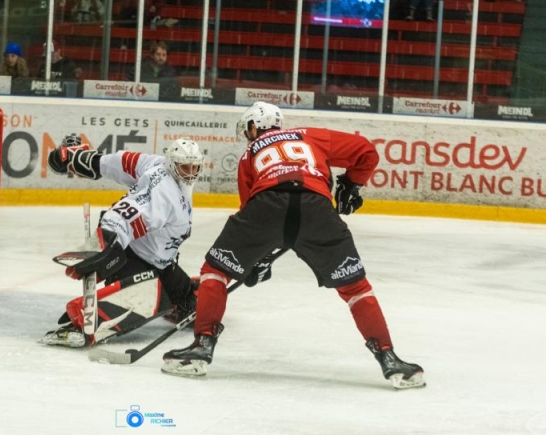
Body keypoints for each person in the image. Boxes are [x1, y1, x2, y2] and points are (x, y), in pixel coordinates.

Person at [161, 102, 426, 390]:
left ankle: (202, 345)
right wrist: (352, 183)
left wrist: (254, 260)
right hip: (317, 208)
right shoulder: (309, 135)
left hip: (267, 205)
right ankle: (389, 358)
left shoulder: (249, 153)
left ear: (252, 127)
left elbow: (249, 208)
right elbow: (366, 151)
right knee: (355, 287)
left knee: (216, 271)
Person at [40, 135, 205, 348]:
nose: (190, 173)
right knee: (150, 301)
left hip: (161, 262)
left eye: (194, 168)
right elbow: (125, 216)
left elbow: (123, 163)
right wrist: (106, 245)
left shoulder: (157, 163)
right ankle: (82, 322)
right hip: (130, 257)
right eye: (185, 167)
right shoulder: (163, 192)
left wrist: (81, 158)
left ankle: (170, 292)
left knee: (193, 309)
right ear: (172, 164)